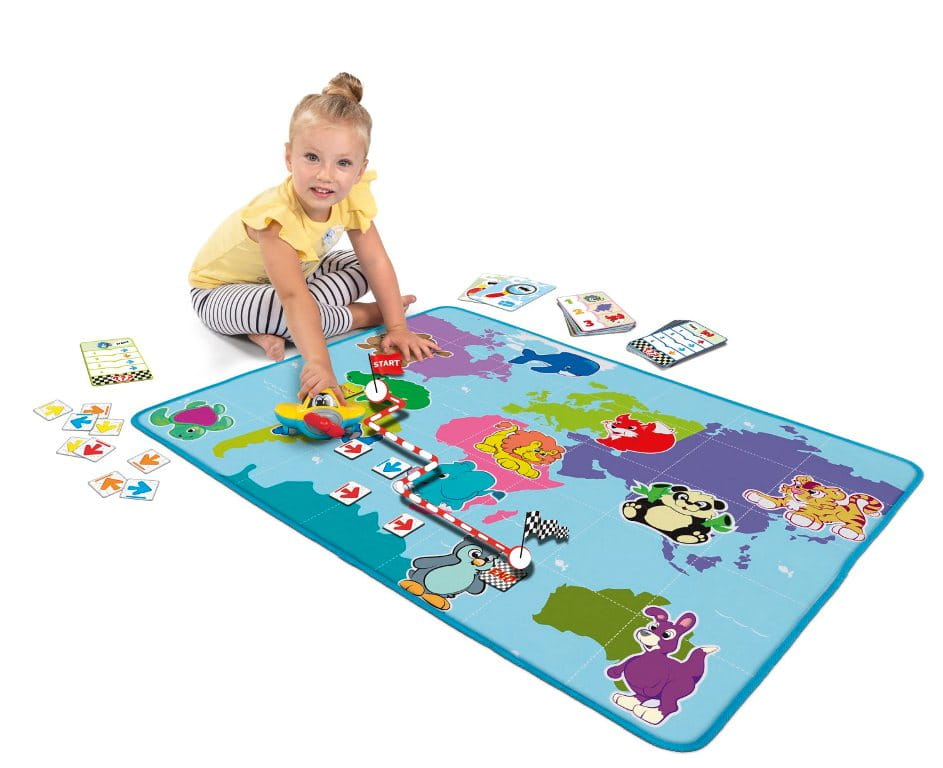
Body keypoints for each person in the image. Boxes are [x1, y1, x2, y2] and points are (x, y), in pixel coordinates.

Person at [188, 72, 441, 404]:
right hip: (220, 293)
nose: (325, 175)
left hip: (300, 274)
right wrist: (320, 362)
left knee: (362, 266)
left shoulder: (353, 196)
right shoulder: (275, 220)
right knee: (285, 307)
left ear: (359, 170)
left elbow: (375, 260)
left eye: (343, 163)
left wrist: (398, 328)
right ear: (288, 157)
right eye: (312, 158)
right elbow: (293, 297)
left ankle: (273, 330)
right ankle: (363, 315)